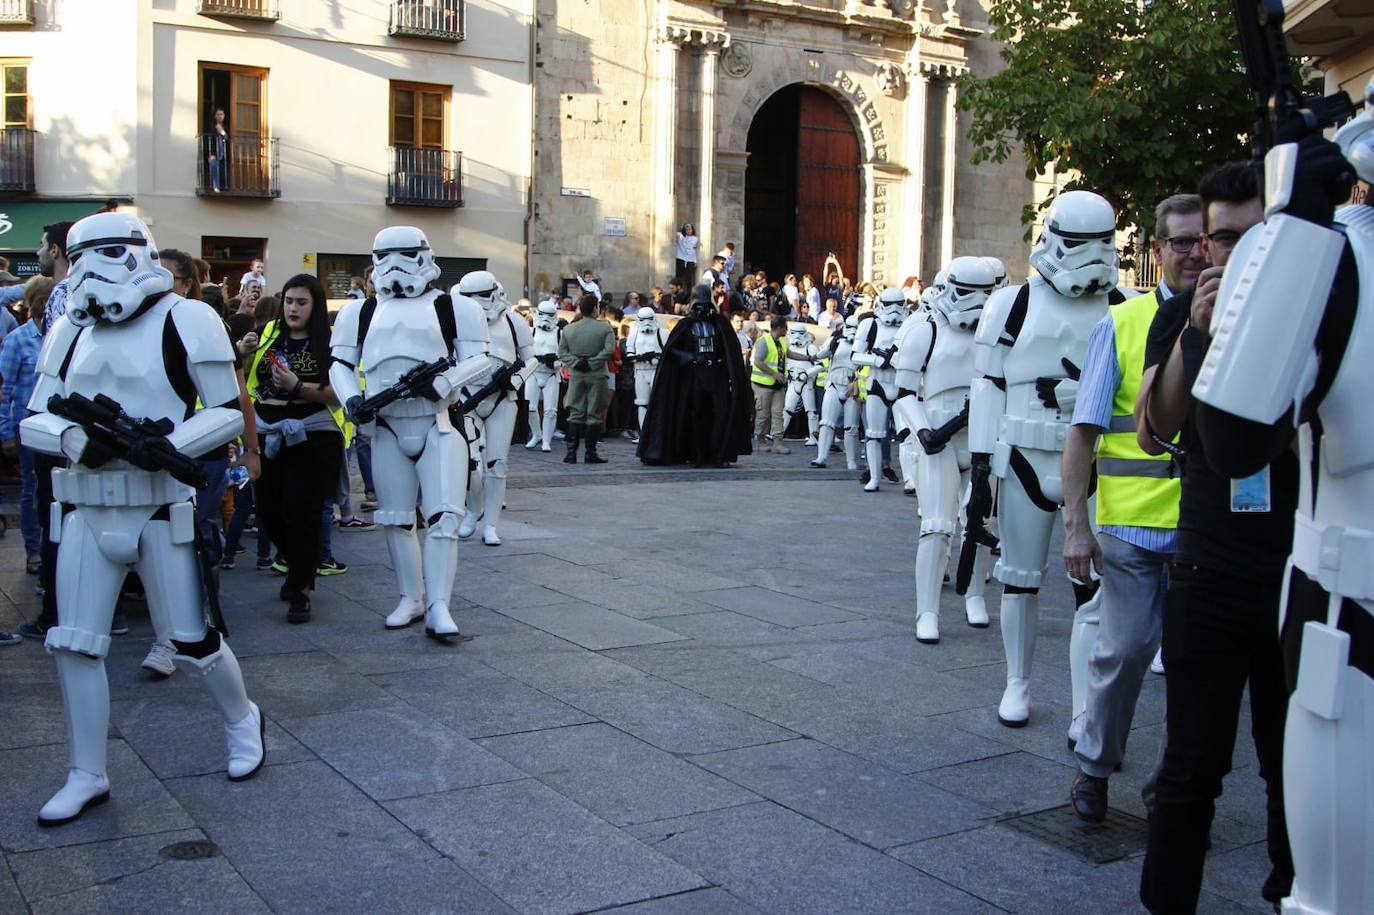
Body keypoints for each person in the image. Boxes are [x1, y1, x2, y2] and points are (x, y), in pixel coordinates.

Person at [20, 212, 264, 826]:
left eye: (115, 250)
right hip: (84, 505)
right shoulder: (70, 327)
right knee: (75, 645)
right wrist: (76, 438)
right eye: (86, 254)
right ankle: (86, 771)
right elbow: (34, 416)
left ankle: (242, 720)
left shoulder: (189, 318)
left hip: (158, 503)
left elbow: (228, 412)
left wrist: (169, 447)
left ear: (143, 253)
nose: (101, 266)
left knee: (192, 640)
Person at [1189, 115, 1374, 912]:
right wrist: (1295, 234)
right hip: (1351, 617)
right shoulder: (1345, 262)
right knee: (1335, 894)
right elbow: (1233, 432)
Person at [1128, 162, 1293, 914]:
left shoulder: (1313, 300)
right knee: (1191, 767)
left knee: (1299, 765)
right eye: (1217, 239)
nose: (1220, 254)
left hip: (1296, 569)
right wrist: (1197, 331)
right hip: (1210, 563)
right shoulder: (1184, 311)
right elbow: (1160, 424)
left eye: (1243, 237)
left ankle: (1296, 889)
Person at [1061, 194, 1203, 822]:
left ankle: (1171, 783)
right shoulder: (1119, 325)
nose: (1196, 253)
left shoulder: (1244, 318)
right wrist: (1076, 527)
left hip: (1207, 529)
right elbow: (1083, 432)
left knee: (1198, 666)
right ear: (1155, 250)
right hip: (1131, 525)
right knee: (1123, 650)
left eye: (1208, 241)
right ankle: (1094, 767)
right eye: (1181, 242)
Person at [966, 190, 1123, 728]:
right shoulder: (1013, 302)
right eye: (1081, 244)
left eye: (1104, 244)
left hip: (1098, 460)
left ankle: (1087, 705)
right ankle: (1017, 682)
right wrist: (981, 466)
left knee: (1095, 588)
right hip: (1025, 456)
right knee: (1019, 577)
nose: (1094, 257)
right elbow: (985, 383)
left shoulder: (1121, 306)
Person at [331, 228, 489, 639]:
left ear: (424, 256)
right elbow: (340, 365)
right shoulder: (359, 313)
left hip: (437, 421)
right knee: (397, 519)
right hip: (385, 425)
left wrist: (442, 383)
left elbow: (480, 359)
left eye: (405, 254)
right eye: (385, 255)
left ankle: (439, 604)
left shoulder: (454, 308)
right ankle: (410, 597)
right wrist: (352, 401)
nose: (395, 264)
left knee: (443, 518)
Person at [892, 256, 1000, 641]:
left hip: (985, 436)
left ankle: (975, 596)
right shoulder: (926, 330)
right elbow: (904, 392)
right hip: (940, 435)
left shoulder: (1000, 331)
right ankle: (927, 611)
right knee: (936, 525)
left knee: (982, 522)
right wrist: (923, 431)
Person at [246, 274, 341, 624]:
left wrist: (299, 386)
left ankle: (301, 589)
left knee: (302, 510)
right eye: (288, 301)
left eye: (301, 302)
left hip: (313, 433)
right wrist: (242, 353)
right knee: (269, 510)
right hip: (270, 429)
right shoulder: (270, 333)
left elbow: (338, 389)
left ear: (315, 305)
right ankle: (300, 566)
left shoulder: (329, 342)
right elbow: (250, 378)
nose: (293, 308)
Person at [457, 271, 536, 546]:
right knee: (468, 465)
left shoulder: (514, 323)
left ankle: (490, 524)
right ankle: (472, 511)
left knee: (498, 465)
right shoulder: (457, 322)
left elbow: (531, 359)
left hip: (502, 398)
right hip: (467, 397)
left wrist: (513, 379)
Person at [637, 284, 752, 467]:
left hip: (716, 376)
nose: (703, 310)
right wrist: (691, 357)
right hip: (694, 376)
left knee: (720, 415)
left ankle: (717, 454)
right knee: (695, 416)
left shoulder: (720, 324)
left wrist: (727, 370)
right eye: (700, 305)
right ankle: (696, 454)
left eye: (706, 305)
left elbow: (730, 350)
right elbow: (672, 350)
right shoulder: (685, 325)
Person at [0, 276, 51, 575]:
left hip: (56, 429)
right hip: (27, 427)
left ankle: (52, 547)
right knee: (31, 490)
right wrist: (5, 432)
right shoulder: (17, 340)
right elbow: (4, 389)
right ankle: (34, 551)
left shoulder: (63, 336)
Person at [851, 288, 907, 491]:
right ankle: (875, 477)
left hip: (902, 382)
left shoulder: (911, 324)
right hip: (877, 383)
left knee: (907, 434)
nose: (894, 310)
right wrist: (877, 360)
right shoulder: (870, 324)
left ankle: (909, 479)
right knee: (874, 433)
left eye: (899, 304)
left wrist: (900, 360)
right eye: (889, 304)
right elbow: (855, 355)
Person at [559, 294, 615, 464]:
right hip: (596, 374)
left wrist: (576, 362)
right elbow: (609, 350)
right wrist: (593, 362)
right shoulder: (605, 328)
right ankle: (590, 453)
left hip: (576, 374)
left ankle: (571, 453)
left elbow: (561, 353)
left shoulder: (569, 329)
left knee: (575, 413)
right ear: (594, 309)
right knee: (594, 414)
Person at [811, 313, 860, 470]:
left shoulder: (863, 343)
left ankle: (851, 461)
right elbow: (819, 355)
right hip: (834, 384)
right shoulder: (835, 340)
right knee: (826, 423)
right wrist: (831, 344)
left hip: (852, 386)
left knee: (851, 427)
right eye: (850, 327)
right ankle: (821, 457)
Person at [524, 299, 562, 452]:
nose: (546, 318)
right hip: (533, 371)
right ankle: (537, 434)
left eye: (549, 315)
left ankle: (547, 440)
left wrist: (555, 363)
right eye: (543, 315)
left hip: (551, 374)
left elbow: (565, 355)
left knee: (550, 410)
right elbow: (524, 353)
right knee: (530, 408)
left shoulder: (559, 333)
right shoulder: (530, 331)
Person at [751, 316, 791, 454]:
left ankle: (778, 443)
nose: (787, 330)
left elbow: (789, 354)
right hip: (763, 384)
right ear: (779, 328)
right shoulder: (764, 341)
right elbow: (758, 361)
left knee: (778, 413)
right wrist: (774, 374)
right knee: (763, 414)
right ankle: (760, 440)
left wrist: (809, 357)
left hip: (777, 385)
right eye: (785, 327)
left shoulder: (782, 342)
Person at [624, 306, 666, 435]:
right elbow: (630, 353)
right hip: (641, 370)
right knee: (642, 404)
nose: (647, 323)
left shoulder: (663, 332)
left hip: (656, 370)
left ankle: (658, 434)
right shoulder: (635, 332)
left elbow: (668, 353)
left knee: (658, 403)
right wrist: (639, 357)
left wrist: (656, 358)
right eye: (643, 320)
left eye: (649, 319)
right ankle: (644, 434)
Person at [782, 324, 822, 446]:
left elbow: (820, 365)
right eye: (794, 333)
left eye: (800, 333)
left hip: (806, 382)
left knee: (811, 410)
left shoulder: (811, 348)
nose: (797, 336)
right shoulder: (788, 347)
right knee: (787, 409)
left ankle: (814, 436)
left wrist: (807, 374)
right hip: (793, 382)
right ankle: (779, 433)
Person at [207, 107, 228, 193]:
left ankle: (222, 187)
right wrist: (210, 154)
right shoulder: (211, 127)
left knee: (222, 170)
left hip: (223, 152)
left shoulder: (226, 127)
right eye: (218, 114)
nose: (220, 116)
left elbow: (227, 137)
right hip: (213, 152)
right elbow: (208, 140)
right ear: (215, 116)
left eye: (221, 114)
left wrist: (222, 132)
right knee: (214, 167)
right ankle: (215, 187)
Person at [674, 224, 699, 289]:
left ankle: (688, 293)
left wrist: (695, 261)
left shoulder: (694, 239)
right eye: (686, 229)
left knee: (689, 278)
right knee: (679, 277)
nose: (688, 231)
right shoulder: (681, 236)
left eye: (689, 229)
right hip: (681, 258)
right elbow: (676, 234)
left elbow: (692, 250)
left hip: (690, 260)